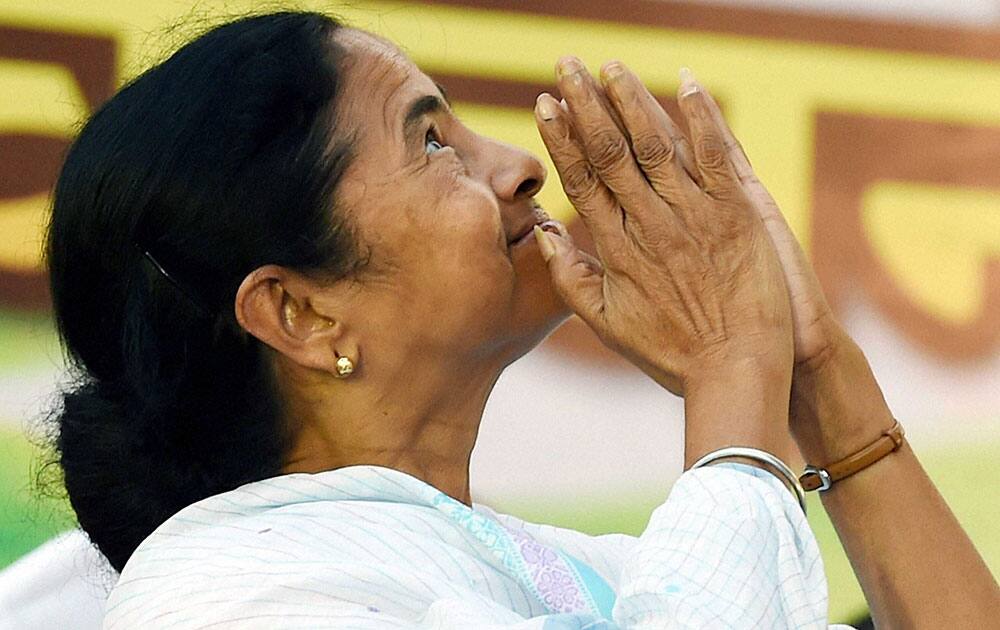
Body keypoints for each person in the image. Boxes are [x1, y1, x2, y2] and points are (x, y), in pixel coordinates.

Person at [40, 10, 997, 629]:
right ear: (298, 311)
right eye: (431, 141)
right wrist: (731, 370)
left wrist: (815, 376)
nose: (518, 165)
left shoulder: (578, 569)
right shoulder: (225, 596)